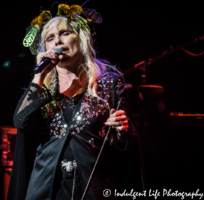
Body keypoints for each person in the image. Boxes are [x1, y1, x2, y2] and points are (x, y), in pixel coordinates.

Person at [8, 4, 142, 200]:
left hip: (94, 188)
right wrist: (38, 77)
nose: (57, 41)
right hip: (46, 189)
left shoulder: (109, 84)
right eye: (50, 38)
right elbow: (20, 122)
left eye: (64, 33)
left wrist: (123, 131)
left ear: (81, 38)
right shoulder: (42, 90)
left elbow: (127, 150)